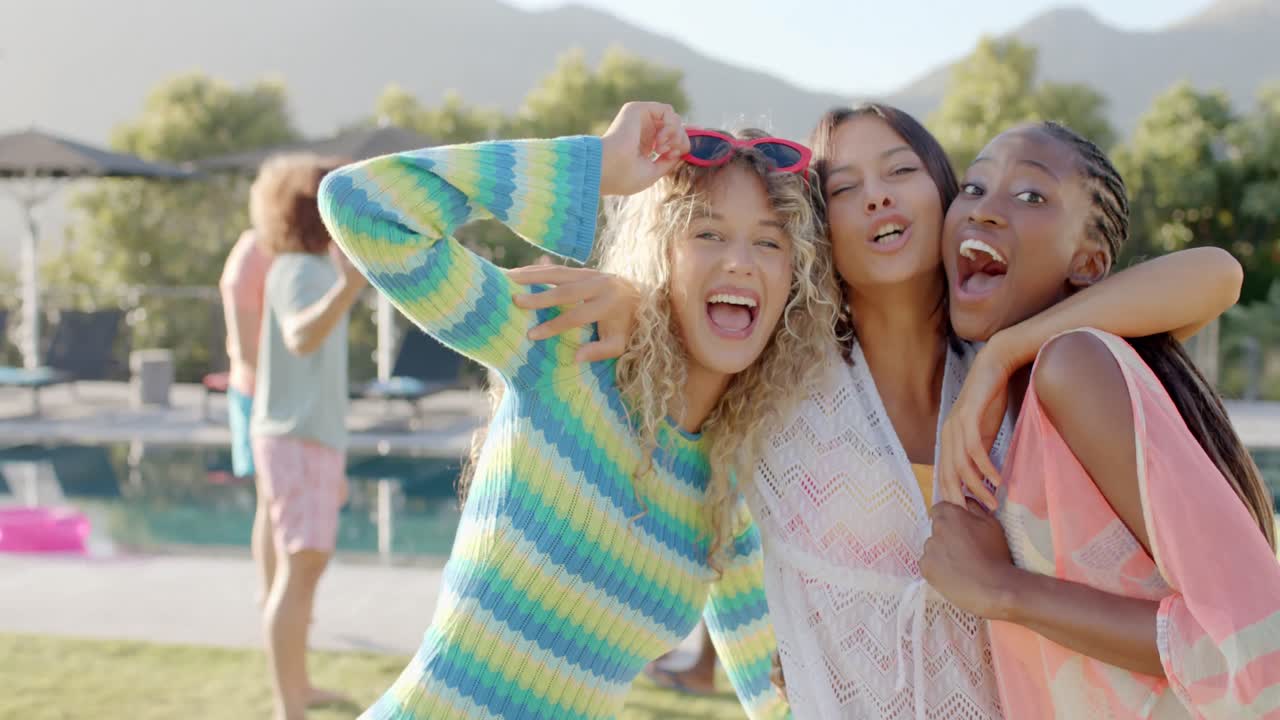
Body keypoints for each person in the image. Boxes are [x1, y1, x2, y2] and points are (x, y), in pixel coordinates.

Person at [518, 104, 1243, 720]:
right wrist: (637, 299)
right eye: (843, 187)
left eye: (900, 171)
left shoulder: (1030, 376)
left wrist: (1003, 354)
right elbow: (701, 314)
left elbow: (1216, 276)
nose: (876, 197)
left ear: (947, 199)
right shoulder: (778, 383)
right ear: (818, 230)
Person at [317, 101, 834, 719]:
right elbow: (365, 206)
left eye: (769, 242)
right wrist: (596, 167)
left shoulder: (728, 487)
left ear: (795, 281)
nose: (739, 261)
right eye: (707, 232)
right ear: (660, 253)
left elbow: (776, 701)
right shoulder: (565, 346)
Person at [921, 121, 1280, 719]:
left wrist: (1001, 590)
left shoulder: (1074, 365)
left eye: (1031, 195)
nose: (985, 210)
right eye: (974, 187)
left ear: (1089, 262)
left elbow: (1253, 643)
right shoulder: (1006, 402)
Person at [248, 152, 364, 720]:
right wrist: (347, 288)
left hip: (297, 437)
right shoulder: (303, 270)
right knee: (302, 569)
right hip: (301, 439)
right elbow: (299, 336)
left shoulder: (300, 266)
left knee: (296, 572)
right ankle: (290, 707)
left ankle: (296, 691)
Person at [218, 229, 272, 482]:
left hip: (287, 396)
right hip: (257, 394)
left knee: (272, 500)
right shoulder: (250, 255)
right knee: (268, 492)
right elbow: (245, 351)